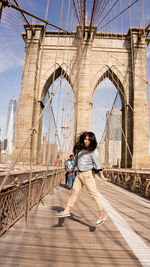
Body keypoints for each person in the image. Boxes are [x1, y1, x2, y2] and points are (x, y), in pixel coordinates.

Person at [58, 131, 110, 225]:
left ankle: (102, 213)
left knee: (94, 194)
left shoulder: (94, 151)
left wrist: (102, 176)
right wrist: (71, 170)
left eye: (89, 140)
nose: (86, 141)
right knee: (74, 192)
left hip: (88, 175)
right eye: (85, 139)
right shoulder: (80, 150)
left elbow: (98, 165)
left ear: (92, 141)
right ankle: (66, 210)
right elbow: (75, 162)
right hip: (79, 175)